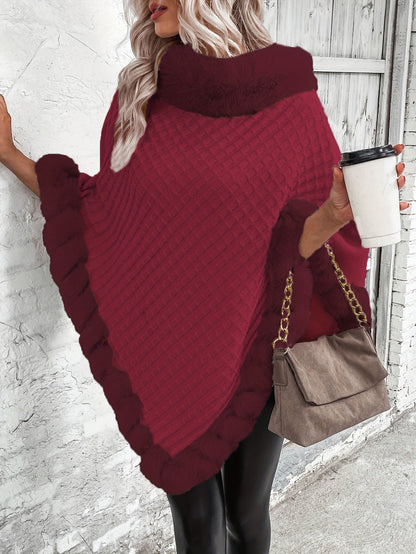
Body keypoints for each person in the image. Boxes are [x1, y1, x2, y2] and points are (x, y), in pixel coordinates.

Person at [0, 1, 407, 553]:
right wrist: (10, 153)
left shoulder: (291, 97)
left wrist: (336, 213)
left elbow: (300, 242)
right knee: (197, 525)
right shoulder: (139, 96)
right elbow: (101, 212)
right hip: (170, 359)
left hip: (257, 343)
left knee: (244, 512)